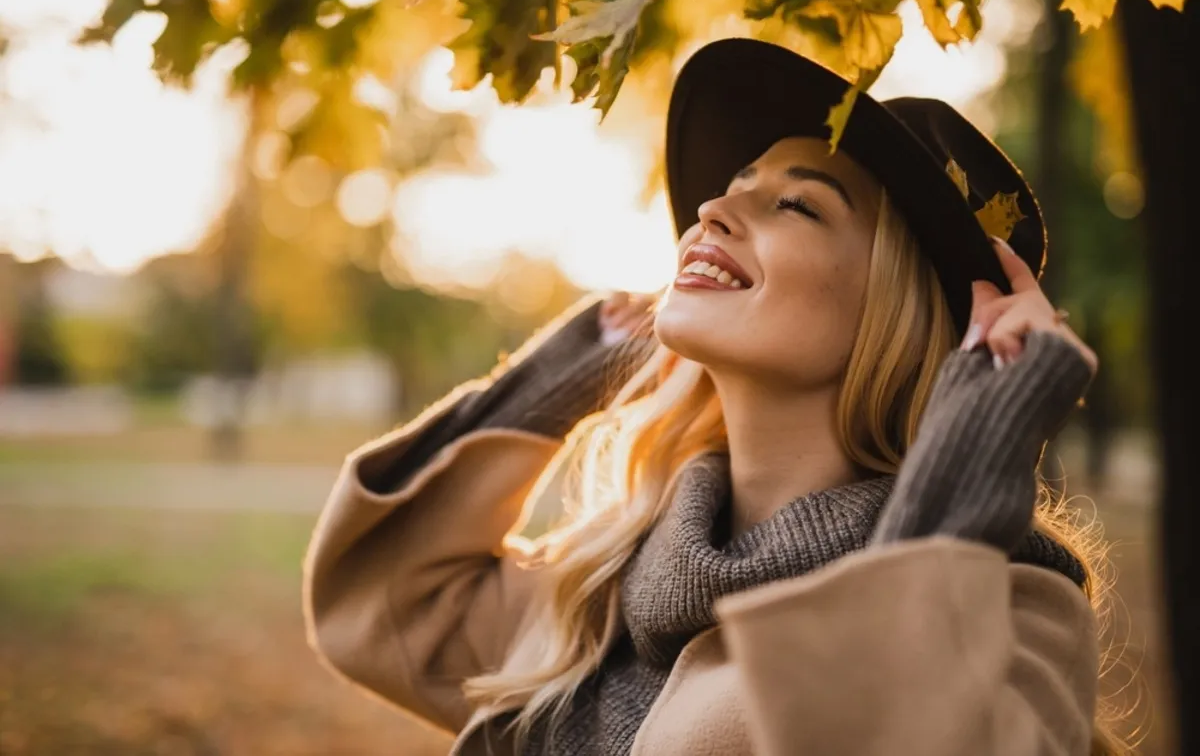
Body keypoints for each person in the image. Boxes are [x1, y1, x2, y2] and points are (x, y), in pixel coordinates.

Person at [303, 38, 1119, 755]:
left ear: (894, 314)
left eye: (794, 204)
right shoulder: (608, 595)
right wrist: (573, 372)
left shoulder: (1009, 608)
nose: (712, 209)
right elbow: (385, 601)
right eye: (735, 184)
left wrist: (963, 471)